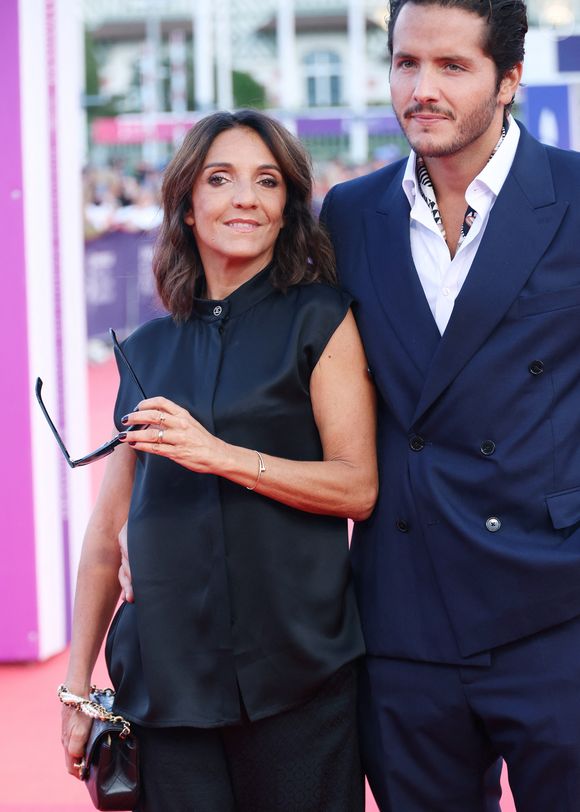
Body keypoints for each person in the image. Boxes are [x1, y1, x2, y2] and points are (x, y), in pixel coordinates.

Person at [60, 109, 377, 812]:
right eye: (222, 178)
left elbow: (357, 486)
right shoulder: (144, 350)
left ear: (288, 204)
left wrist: (220, 454)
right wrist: (77, 687)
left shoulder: (319, 318)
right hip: (165, 687)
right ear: (187, 203)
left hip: (300, 679)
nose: (247, 198)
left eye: (267, 181)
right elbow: (107, 537)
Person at [321, 0, 580, 809]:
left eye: (451, 66)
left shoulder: (574, 196)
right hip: (405, 621)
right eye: (406, 64)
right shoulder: (351, 214)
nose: (420, 89)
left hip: (556, 609)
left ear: (510, 78)